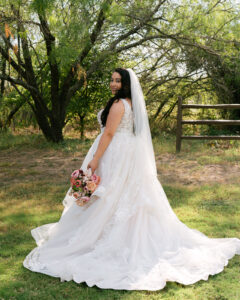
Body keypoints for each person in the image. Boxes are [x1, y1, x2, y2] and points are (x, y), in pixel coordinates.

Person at [23, 68, 240, 291]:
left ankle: (100, 237)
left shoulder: (118, 105)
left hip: (114, 153)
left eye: (118, 81)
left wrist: (96, 159)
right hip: (128, 153)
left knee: (108, 193)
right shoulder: (131, 104)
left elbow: (108, 134)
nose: (113, 84)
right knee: (119, 194)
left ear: (126, 84)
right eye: (112, 79)